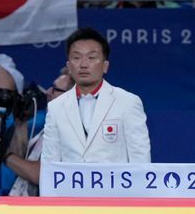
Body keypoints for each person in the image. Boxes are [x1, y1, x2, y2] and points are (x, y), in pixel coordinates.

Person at [41, 27, 151, 163]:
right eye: (76, 57)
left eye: (91, 57)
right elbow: (49, 164)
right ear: (69, 66)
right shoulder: (55, 107)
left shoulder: (127, 102)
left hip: (115, 184)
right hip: (70, 185)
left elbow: (141, 160)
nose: (83, 64)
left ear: (105, 66)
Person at [3, 72, 74, 196]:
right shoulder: (51, 127)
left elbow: (39, 174)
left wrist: (4, 155)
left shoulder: (70, 132)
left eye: (55, 89)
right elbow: (23, 162)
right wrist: (21, 122)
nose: (48, 92)